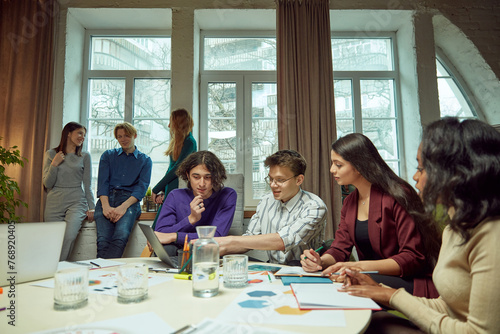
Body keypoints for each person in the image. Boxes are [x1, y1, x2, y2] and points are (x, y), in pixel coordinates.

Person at [341, 118, 500, 333]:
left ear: (455, 174)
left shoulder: (492, 235)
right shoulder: (455, 229)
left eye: (422, 169)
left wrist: (388, 293)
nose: (415, 177)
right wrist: (383, 292)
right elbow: (448, 307)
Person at [301, 133, 441, 297]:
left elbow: (413, 257)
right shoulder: (350, 202)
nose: (332, 170)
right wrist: (320, 262)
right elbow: (340, 247)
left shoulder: (399, 195)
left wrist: (359, 267)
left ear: (359, 166)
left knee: (344, 285)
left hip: (411, 280)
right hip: (371, 276)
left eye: (338, 165)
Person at [215, 150, 327, 265]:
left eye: (280, 180)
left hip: (303, 270)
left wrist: (230, 240)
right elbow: (248, 240)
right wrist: (216, 249)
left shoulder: (315, 206)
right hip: (274, 268)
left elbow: (283, 240)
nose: (273, 185)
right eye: (271, 179)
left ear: (299, 180)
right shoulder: (266, 201)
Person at [154, 151, 237, 256]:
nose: (202, 184)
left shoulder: (227, 195)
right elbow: (160, 234)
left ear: (216, 177)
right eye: (196, 177)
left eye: (208, 177)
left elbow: (217, 237)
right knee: (167, 250)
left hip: (209, 253)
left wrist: (174, 236)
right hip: (177, 253)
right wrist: (191, 219)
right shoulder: (175, 196)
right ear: (187, 175)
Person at [94, 122, 152, 259]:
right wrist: (106, 206)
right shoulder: (108, 156)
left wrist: (122, 207)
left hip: (129, 202)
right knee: (103, 241)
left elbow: (141, 188)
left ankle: (105, 272)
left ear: (135, 136)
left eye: (126, 135)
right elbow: (103, 182)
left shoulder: (145, 161)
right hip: (106, 199)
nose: (123, 139)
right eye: (119, 136)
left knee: (120, 237)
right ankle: (102, 274)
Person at [43, 122, 95, 261]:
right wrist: (54, 164)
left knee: (69, 236)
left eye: (84, 135)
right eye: (79, 133)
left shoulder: (85, 156)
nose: (82, 137)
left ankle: (58, 268)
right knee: (52, 238)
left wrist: (92, 207)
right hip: (54, 201)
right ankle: (49, 270)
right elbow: (47, 183)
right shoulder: (51, 154)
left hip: (77, 201)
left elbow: (87, 184)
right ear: (68, 133)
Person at [151, 108, 197, 205]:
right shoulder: (178, 143)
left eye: (171, 122)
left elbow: (178, 168)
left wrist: (156, 189)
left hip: (179, 187)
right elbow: (171, 168)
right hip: (171, 186)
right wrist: (163, 191)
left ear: (179, 124)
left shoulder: (189, 142)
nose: (169, 125)